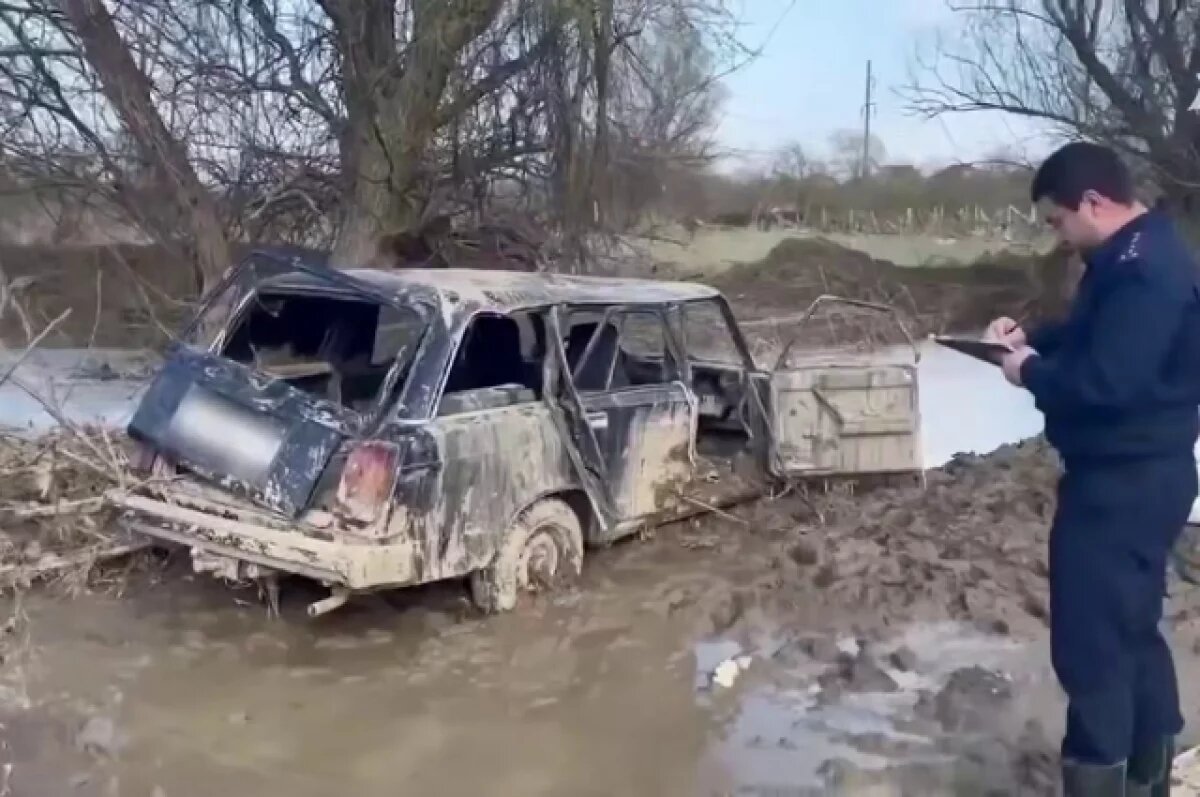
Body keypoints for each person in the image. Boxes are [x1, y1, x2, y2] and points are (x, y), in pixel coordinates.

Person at [987, 141, 1200, 796]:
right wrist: (1031, 339)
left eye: (1059, 221)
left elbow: (1106, 383)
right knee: (1132, 632)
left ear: (1093, 202)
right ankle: (1147, 779)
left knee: (1092, 649)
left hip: (1121, 485)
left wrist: (1029, 373)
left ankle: (1106, 774)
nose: (1059, 235)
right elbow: (1095, 336)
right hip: (1142, 476)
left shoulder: (1143, 273)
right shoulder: (1136, 254)